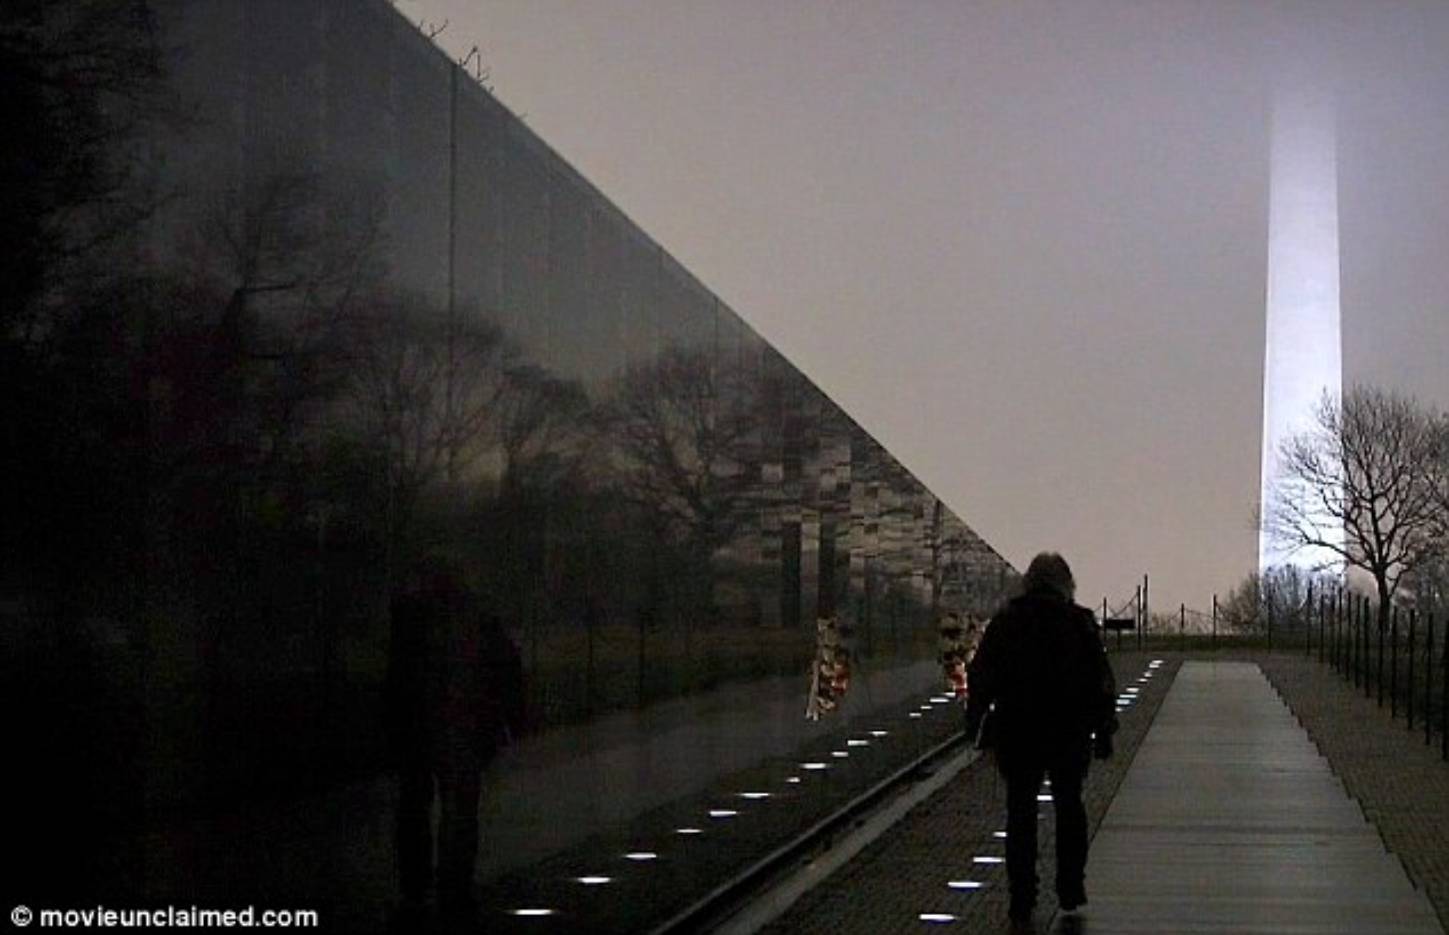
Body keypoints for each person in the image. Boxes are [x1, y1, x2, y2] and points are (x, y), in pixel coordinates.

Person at [964, 552, 1116, 926]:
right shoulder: (1079, 623)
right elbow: (1100, 682)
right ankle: (1069, 885)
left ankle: (1022, 895)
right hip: (1068, 731)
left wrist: (976, 721)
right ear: (1066, 584)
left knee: (1021, 813)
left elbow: (982, 674)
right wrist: (1104, 730)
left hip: (1019, 731)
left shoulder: (1007, 621)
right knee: (1069, 807)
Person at [385, 554, 524, 920]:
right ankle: (454, 887)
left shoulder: (410, 616)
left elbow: (397, 677)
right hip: (463, 728)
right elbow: (506, 669)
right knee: (459, 813)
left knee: (414, 810)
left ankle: (416, 888)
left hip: (420, 728)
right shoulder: (478, 616)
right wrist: (508, 720)